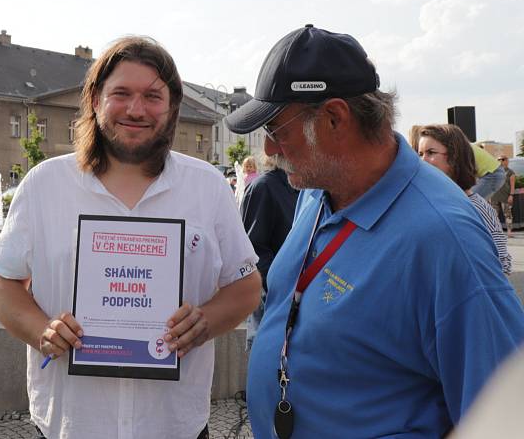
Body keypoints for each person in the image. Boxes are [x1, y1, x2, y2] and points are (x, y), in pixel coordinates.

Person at [223, 24, 524, 438]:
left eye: (277, 131)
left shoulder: (444, 237)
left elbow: (501, 418)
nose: (271, 150)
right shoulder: (317, 190)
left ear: (334, 118)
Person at [0, 36, 260, 439]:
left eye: (152, 96)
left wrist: (205, 321)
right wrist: (41, 330)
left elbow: (246, 286)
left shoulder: (207, 187)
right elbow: (1, 281)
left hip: (175, 425)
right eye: (122, 94)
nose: (136, 109)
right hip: (72, 424)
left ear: (171, 107)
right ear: (96, 100)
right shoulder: (45, 184)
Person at [418, 124, 513, 275]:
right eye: (420, 154)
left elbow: (502, 264)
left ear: (454, 157)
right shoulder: (433, 204)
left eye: (430, 152)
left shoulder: (474, 207)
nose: (422, 161)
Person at [240, 154, 299, 349]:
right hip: (272, 309)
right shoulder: (264, 187)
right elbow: (253, 251)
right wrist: (285, 286)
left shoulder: (307, 188)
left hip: (298, 311)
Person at [491, 155, 516, 238]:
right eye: (498, 159)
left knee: (508, 214)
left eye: (502, 159)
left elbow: (512, 186)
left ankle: (509, 231)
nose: (500, 161)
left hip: (506, 197)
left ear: (506, 161)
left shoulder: (510, 172)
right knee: (494, 215)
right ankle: (496, 231)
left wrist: (511, 195)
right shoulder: (495, 171)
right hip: (494, 196)